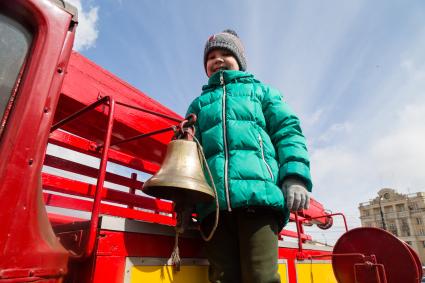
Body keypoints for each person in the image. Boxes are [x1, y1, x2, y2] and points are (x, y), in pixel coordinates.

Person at [185, 29, 312, 283]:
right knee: (222, 278)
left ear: (240, 60)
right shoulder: (198, 104)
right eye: (211, 57)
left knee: (260, 276)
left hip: (259, 199)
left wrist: (295, 175)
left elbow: (288, 131)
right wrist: (185, 202)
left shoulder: (262, 92)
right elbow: (188, 154)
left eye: (225, 53)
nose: (217, 60)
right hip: (214, 207)